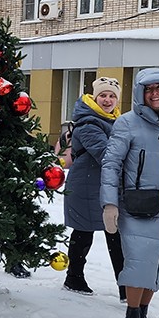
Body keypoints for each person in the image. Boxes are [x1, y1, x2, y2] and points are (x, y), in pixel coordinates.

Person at [100, 68, 159, 318]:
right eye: (148, 89)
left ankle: (143, 316)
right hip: (136, 204)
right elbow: (111, 164)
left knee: (158, 264)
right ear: (140, 93)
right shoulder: (126, 123)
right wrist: (109, 204)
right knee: (138, 263)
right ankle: (131, 317)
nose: (155, 94)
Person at [62, 77, 125, 297]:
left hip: (103, 185)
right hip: (86, 186)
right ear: (95, 97)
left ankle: (124, 285)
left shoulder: (114, 121)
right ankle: (75, 277)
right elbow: (106, 154)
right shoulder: (89, 122)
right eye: (103, 95)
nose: (107, 100)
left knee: (113, 233)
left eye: (112, 96)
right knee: (89, 232)